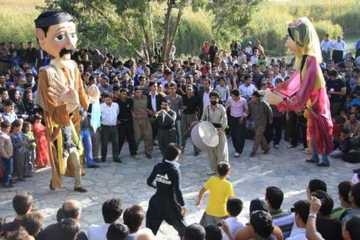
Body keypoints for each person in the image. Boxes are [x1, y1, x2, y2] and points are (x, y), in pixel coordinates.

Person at [34, 10, 89, 192]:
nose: (69, 42)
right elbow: (47, 102)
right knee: (63, 151)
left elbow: (81, 91)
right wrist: (64, 105)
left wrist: (86, 103)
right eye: (60, 37)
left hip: (73, 118)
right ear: (42, 38)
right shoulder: (46, 72)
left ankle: (70, 181)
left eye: (72, 35)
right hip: (57, 120)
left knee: (71, 149)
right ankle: (59, 179)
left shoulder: (73, 66)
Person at [273, 17, 333, 167]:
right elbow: (295, 81)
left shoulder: (311, 60)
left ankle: (324, 158)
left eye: (290, 38)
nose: (288, 42)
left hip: (316, 97)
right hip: (310, 98)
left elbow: (305, 85)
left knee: (321, 127)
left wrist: (290, 100)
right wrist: (279, 90)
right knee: (311, 127)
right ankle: (314, 155)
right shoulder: (304, 59)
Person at [146, 144, 186, 237]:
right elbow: (177, 190)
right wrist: (183, 205)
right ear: (175, 157)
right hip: (170, 205)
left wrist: (158, 186)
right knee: (184, 230)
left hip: (156, 203)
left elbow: (149, 181)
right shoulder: (174, 170)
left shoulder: (158, 166)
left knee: (150, 233)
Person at [201, 91, 229, 174]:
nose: (213, 99)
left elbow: (225, 121)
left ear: (218, 99)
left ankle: (223, 171)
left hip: (220, 132)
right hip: (210, 133)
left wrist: (221, 129)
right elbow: (203, 119)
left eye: (215, 98)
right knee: (211, 153)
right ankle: (214, 170)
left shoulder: (221, 108)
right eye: (211, 98)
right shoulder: (207, 108)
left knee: (221, 152)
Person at [248, 91, 272, 157]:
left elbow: (269, 111)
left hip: (262, 122)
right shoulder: (250, 103)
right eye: (252, 97)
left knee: (257, 136)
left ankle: (253, 151)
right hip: (255, 122)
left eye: (254, 97)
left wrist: (270, 119)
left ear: (257, 98)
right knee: (260, 136)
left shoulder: (263, 103)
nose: (252, 98)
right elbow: (248, 111)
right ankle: (266, 148)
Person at [132, 87, 153, 159]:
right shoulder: (132, 99)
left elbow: (150, 108)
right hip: (136, 121)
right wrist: (133, 114)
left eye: (140, 92)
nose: (138, 93)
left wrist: (150, 112)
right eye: (137, 92)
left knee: (148, 136)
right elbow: (130, 109)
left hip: (145, 119)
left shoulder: (146, 98)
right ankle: (134, 151)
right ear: (134, 93)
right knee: (137, 137)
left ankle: (148, 152)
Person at [226, 89, 248, 157]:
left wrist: (242, 117)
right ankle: (236, 148)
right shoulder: (230, 99)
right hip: (232, 118)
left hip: (240, 119)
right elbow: (226, 107)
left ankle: (239, 150)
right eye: (231, 96)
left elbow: (247, 110)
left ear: (237, 96)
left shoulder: (243, 100)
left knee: (240, 135)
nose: (232, 97)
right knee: (233, 134)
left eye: (233, 96)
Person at [100, 93, 120, 163]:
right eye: (106, 99)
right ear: (104, 99)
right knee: (104, 143)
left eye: (109, 99)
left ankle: (116, 157)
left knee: (116, 142)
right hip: (105, 127)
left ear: (112, 99)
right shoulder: (101, 106)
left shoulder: (116, 105)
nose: (108, 100)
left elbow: (117, 113)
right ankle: (103, 157)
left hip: (114, 126)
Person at [117, 88, 137, 158]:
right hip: (121, 122)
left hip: (129, 122)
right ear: (120, 94)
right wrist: (117, 120)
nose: (124, 95)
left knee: (131, 138)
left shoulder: (130, 100)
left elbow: (132, 110)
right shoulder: (117, 102)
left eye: (125, 94)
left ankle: (133, 153)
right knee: (120, 139)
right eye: (122, 93)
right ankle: (117, 154)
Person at [0, 120, 13, 187]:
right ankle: (6, 182)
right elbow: (1, 147)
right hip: (6, 156)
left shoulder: (6, 135)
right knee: (7, 170)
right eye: (9, 128)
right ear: (4, 128)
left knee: (10, 169)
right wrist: (5, 155)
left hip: (10, 155)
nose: (10, 129)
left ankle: (9, 181)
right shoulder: (2, 136)